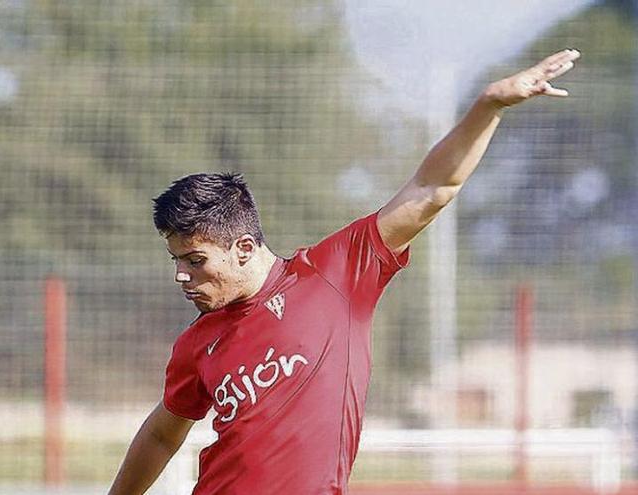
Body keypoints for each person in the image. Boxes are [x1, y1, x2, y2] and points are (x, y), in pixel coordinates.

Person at [108, 49, 581, 495]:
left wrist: (488, 105)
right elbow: (162, 434)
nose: (182, 276)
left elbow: (433, 188)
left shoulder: (334, 275)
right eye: (177, 261)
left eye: (196, 261)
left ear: (245, 248)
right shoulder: (198, 342)